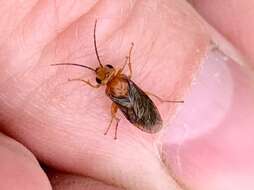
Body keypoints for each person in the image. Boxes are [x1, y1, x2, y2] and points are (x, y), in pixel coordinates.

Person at [0, 1, 253, 189]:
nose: (103, 72)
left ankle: (127, 121)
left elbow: (108, 84)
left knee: (126, 110)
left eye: (104, 72)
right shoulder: (117, 82)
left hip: (138, 109)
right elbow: (127, 75)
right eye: (102, 75)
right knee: (134, 104)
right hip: (139, 107)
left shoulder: (109, 86)